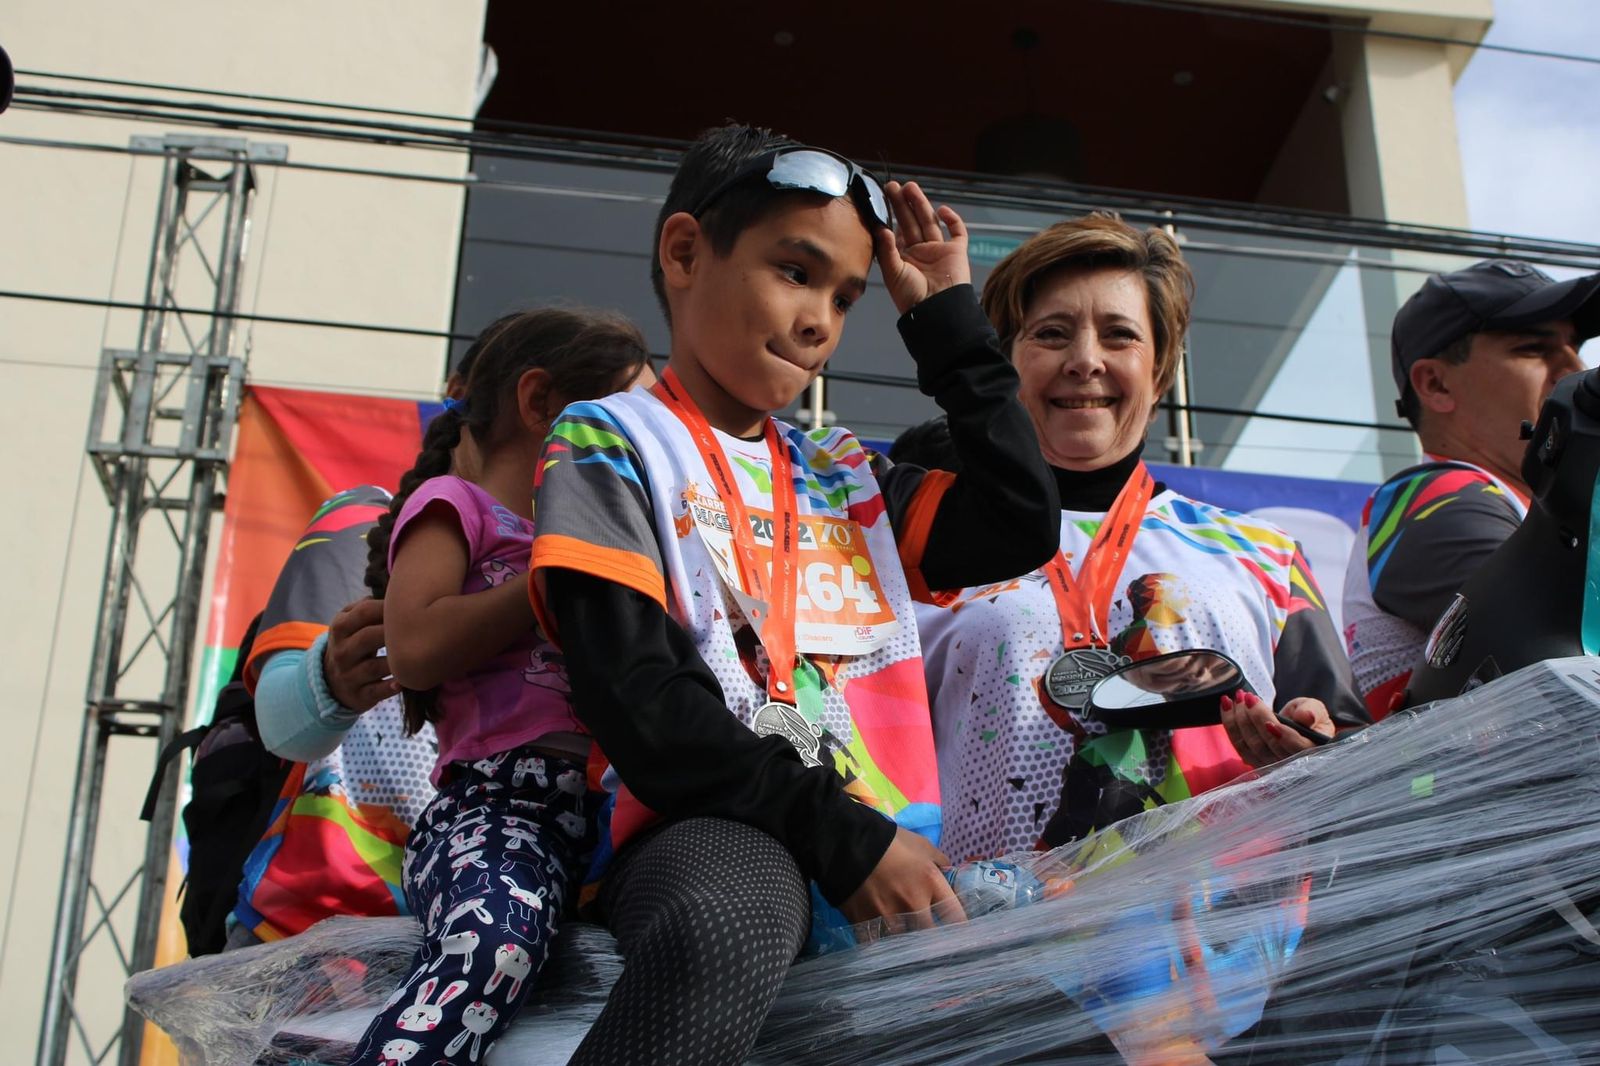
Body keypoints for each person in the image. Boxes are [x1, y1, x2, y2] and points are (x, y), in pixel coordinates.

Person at [527, 123, 1060, 1066]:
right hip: (710, 832)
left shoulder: (847, 474)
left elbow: (1021, 519)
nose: (821, 321)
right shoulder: (609, 441)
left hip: (889, 846)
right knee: (732, 921)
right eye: (795, 272)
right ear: (685, 252)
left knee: (1066, 1022)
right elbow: (639, 701)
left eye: (846, 298)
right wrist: (838, 836)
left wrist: (948, 322)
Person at [915, 213, 1369, 863]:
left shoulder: (1263, 554)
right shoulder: (929, 548)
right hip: (997, 919)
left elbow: (1354, 755)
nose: (1085, 361)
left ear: (1160, 374)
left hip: (1225, 922)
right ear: (1006, 365)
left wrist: (1311, 747)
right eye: (1052, 334)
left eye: (1120, 335)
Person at [345, 309, 651, 1066]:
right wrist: (553, 575)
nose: (646, 442)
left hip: (621, 817)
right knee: (494, 945)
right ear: (540, 401)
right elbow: (415, 648)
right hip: (499, 807)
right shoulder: (457, 506)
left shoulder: (623, 535)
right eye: (627, 417)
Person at [231, 323, 503, 948]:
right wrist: (329, 684)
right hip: (313, 941)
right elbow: (284, 726)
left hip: (486, 944)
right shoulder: (368, 523)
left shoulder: (582, 569)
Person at [1343, 260, 1598, 717]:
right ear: (1436, 384)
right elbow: (1565, 637)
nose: (1574, 367)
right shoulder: (1440, 496)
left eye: (1575, 347)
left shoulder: (1524, 504)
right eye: (1533, 349)